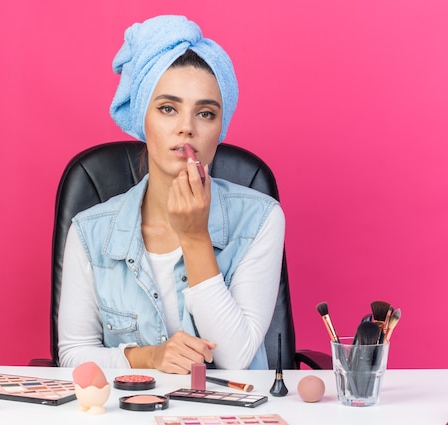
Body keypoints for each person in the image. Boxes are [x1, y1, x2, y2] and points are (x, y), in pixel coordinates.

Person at [58, 15, 285, 373]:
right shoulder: (89, 232)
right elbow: (73, 354)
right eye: (167, 109)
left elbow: (236, 360)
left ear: (219, 129)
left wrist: (195, 236)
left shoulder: (260, 218)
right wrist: (150, 357)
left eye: (206, 113)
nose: (186, 128)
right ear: (141, 119)